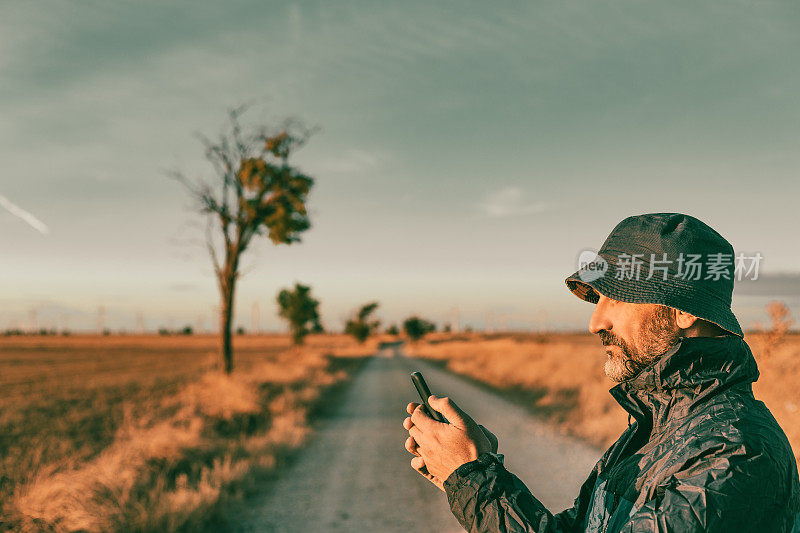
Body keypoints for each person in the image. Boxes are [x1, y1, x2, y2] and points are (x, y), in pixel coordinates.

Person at [402, 213, 800, 532]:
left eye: (618, 297)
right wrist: (468, 472)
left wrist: (475, 479)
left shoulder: (735, 454)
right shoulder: (656, 428)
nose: (595, 321)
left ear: (683, 309)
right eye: (597, 298)